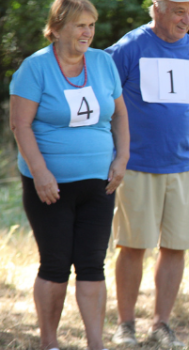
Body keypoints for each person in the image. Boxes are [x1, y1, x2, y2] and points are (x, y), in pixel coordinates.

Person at [8, 0, 130, 349]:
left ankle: (95, 343)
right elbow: (20, 125)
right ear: (58, 27)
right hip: (50, 186)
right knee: (56, 263)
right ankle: (50, 343)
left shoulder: (103, 63)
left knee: (93, 263)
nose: (87, 32)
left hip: (100, 183)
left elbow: (120, 115)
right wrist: (41, 172)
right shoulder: (35, 68)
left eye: (91, 25)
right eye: (80, 25)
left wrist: (122, 157)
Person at [105, 0, 189, 347]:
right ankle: (125, 325)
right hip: (136, 164)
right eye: (180, 11)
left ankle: (161, 325)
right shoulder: (129, 47)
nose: (187, 19)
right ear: (158, 8)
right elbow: (108, 99)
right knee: (132, 245)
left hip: (184, 165)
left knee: (176, 246)